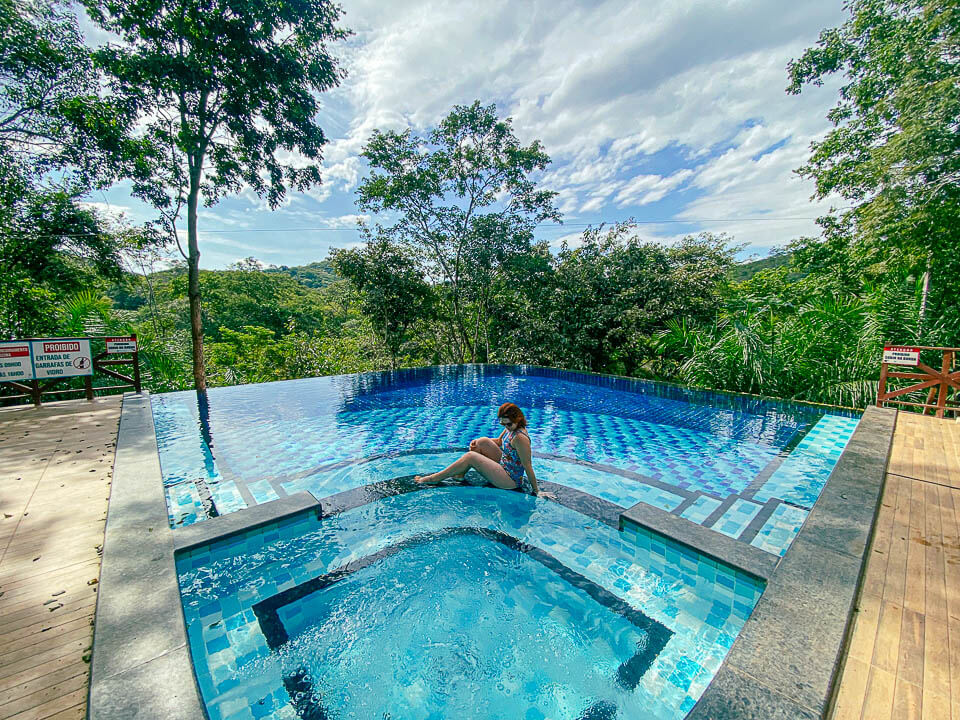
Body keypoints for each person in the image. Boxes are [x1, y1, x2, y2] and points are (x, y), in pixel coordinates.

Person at [415, 402, 549, 497]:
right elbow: (499, 442)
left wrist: (537, 491)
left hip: (510, 479)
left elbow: (528, 466)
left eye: (508, 424)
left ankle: (433, 478)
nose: (506, 427)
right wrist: (478, 442)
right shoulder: (511, 428)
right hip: (504, 464)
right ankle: (459, 475)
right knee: (481, 442)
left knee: (470, 457)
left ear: (518, 419)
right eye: (503, 424)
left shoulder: (520, 438)